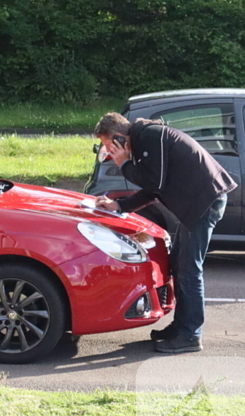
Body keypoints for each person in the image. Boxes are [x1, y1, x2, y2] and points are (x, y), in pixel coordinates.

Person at [93, 112, 237, 354]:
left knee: (189, 270)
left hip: (204, 202)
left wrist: (125, 164)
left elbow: (154, 183)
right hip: (196, 204)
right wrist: (119, 206)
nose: (108, 153)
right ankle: (181, 327)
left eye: (109, 145)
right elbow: (153, 191)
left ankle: (190, 335)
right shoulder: (144, 141)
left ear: (119, 138)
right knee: (179, 265)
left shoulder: (150, 136)